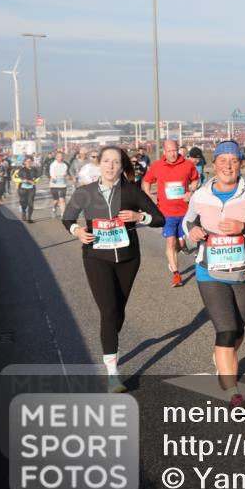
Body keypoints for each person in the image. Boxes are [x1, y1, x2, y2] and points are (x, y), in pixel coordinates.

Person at [183, 140, 245, 409]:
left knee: (238, 330)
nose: (227, 166)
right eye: (222, 161)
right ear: (214, 165)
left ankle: (223, 358)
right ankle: (233, 392)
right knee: (225, 330)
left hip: (243, 271)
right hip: (209, 271)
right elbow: (187, 221)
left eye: (233, 161)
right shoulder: (202, 194)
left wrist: (244, 227)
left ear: (241, 164)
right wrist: (192, 232)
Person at [62, 146, 164, 392]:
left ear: (122, 166)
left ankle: (110, 340)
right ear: (100, 164)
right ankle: (112, 373)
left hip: (128, 259)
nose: (110, 166)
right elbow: (68, 218)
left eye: (116, 162)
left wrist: (140, 218)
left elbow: (159, 218)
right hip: (97, 257)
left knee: (118, 312)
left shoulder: (131, 192)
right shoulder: (85, 192)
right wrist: (77, 231)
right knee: (108, 311)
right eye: (106, 161)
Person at [142, 139, 200, 287]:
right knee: (170, 241)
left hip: (185, 212)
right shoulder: (157, 166)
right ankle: (176, 274)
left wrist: (191, 191)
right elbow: (146, 181)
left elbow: (195, 180)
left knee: (180, 244)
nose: (172, 154)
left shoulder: (188, 165)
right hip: (166, 212)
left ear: (178, 150)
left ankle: (179, 249)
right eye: (169, 151)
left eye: (174, 150)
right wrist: (148, 194)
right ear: (164, 152)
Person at [12, 156, 42, 223]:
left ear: (32, 162)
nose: (29, 163)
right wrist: (22, 180)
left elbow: (39, 177)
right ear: (25, 162)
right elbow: (14, 178)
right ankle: (23, 211)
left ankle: (29, 218)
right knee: (23, 202)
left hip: (31, 189)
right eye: (27, 161)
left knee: (31, 203)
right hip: (22, 189)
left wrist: (35, 181)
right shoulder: (20, 170)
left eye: (30, 161)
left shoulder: (34, 169)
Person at [48, 150, 70, 218]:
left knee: (62, 200)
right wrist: (52, 177)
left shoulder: (65, 164)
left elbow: (67, 173)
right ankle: (54, 209)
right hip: (54, 185)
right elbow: (51, 173)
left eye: (61, 156)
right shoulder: (52, 165)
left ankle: (63, 215)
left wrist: (67, 176)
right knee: (55, 200)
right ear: (56, 157)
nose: (60, 158)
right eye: (58, 156)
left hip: (62, 184)